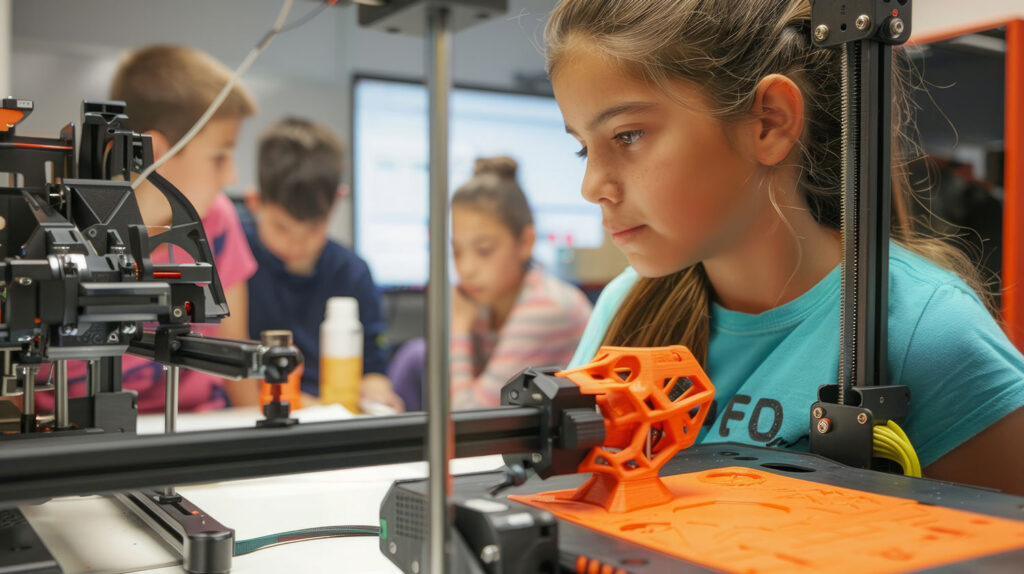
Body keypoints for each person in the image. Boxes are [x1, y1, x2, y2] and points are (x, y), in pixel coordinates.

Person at [545, 0, 1024, 494]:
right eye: (583, 146)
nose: (591, 185)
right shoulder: (626, 306)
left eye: (627, 135)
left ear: (769, 123)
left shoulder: (925, 330)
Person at [34, 45, 260, 413]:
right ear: (156, 152)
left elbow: (236, 353)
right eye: (220, 155)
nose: (231, 176)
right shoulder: (49, 228)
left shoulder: (218, 220)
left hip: (197, 428)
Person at [389, 157, 593, 410]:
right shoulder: (486, 298)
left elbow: (469, 416)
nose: (466, 269)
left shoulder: (545, 307)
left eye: (484, 250)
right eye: (457, 252)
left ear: (526, 242)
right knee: (415, 354)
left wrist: (458, 328)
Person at [244, 117, 403, 411]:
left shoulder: (354, 273)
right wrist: (313, 408)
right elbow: (233, 379)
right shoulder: (236, 265)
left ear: (337, 202)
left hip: (335, 415)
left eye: (314, 228)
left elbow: (373, 367)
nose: (298, 244)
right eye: (281, 228)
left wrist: (376, 390)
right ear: (255, 202)